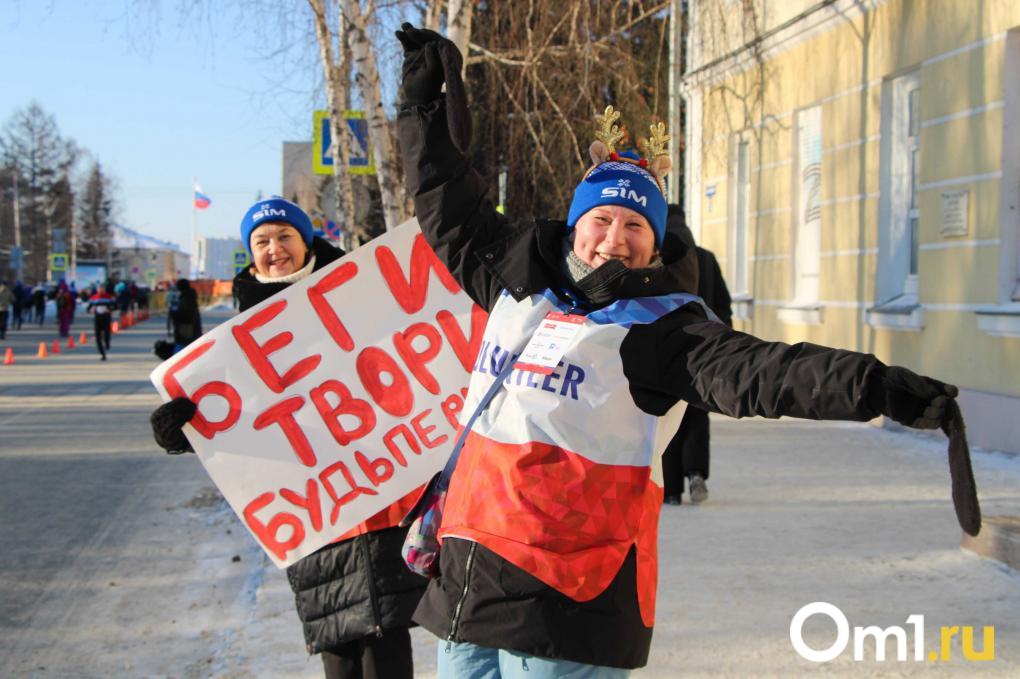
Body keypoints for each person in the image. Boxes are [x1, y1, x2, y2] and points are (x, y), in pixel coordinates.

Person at [394, 25, 967, 677]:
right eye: (602, 219)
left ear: (655, 244)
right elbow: (446, 201)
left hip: (565, 602)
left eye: (636, 225)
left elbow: (761, 372)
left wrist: (873, 385)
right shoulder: (518, 277)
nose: (615, 237)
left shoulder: (662, 328)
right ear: (576, 224)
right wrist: (422, 106)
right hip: (467, 580)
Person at [148, 197, 427, 679]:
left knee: (386, 647)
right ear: (250, 253)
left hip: (379, 497)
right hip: (315, 513)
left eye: (284, 236)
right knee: (339, 649)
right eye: (262, 241)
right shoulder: (235, 338)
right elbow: (235, 422)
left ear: (306, 241)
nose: (274, 249)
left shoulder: (361, 294)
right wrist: (181, 429)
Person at [661, 204, 732, 505]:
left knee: (668, 415)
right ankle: (696, 472)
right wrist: (722, 339)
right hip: (705, 347)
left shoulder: (659, 259)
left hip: (666, 349)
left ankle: (670, 490)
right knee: (698, 413)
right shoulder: (706, 258)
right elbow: (723, 304)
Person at [87, 284, 117, 360]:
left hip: (106, 317)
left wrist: (110, 310)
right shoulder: (94, 298)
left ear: (105, 290)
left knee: (107, 333)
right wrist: (91, 310)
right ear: (97, 290)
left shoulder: (109, 297)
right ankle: (102, 353)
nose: (101, 290)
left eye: (102, 289)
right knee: (97, 336)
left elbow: (116, 306)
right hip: (98, 318)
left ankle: (107, 343)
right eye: (99, 289)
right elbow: (88, 309)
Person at [170, 279, 202, 348]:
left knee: (183, 350)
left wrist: (174, 314)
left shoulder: (186, 298)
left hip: (187, 333)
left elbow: (186, 316)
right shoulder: (188, 296)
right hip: (190, 332)